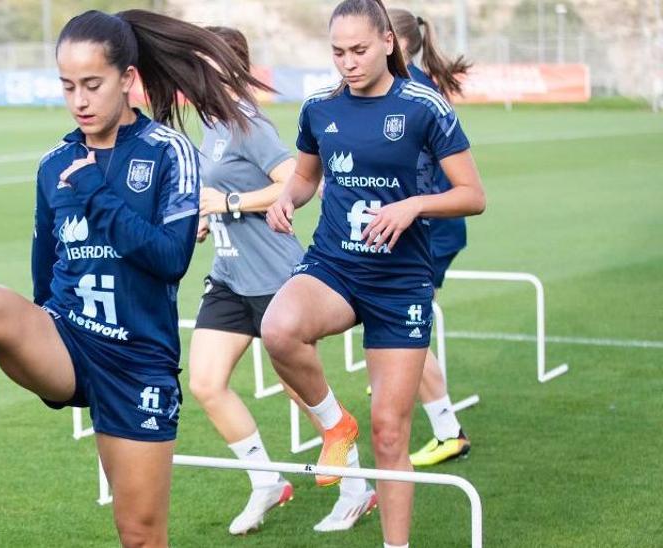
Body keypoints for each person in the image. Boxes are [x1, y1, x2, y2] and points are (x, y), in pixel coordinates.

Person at [0, 9, 261, 546]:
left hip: (137, 363)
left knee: (140, 535)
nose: (79, 100)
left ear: (127, 81)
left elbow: (172, 258)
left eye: (92, 84)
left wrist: (97, 198)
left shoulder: (168, 152)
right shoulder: (53, 162)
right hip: (68, 340)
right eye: (66, 86)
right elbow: (43, 266)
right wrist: (41, 331)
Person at [261, 0, 486, 546]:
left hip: (400, 281)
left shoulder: (423, 106)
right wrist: (285, 198)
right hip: (335, 264)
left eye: (358, 50)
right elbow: (306, 179)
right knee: (277, 329)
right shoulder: (318, 108)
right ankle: (336, 425)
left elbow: (473, 196)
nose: (347, 62)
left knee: (391, 433)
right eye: (338, 52)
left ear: (388, 42)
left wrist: (413, 206)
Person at [190, 25, 378, 536]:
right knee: (205, 382)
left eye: (196, 63)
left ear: (221, 67)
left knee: (300, 389)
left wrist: (227, 202)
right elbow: (220, 192)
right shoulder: (211, 126)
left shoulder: (248, 122)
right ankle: (266, 481)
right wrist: (208, 217)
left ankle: (358, 487)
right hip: (229, 277)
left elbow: (291, 181)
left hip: (274, 275)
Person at [389, 7, 475, 467]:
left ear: (396, 44)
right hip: (426, 229)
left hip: (431, 230)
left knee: (406, 330)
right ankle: (408, 377)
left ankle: (448, 431)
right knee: (401, 329)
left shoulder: (416, 95)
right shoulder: (410, 86)